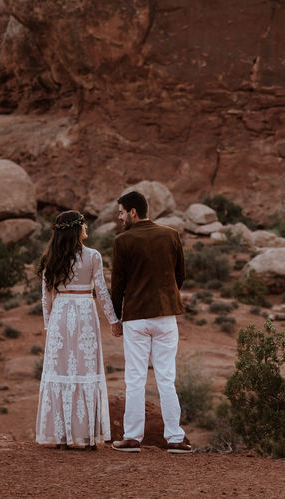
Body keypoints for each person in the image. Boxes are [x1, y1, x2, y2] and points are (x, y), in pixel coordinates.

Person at [109, 190, 193, 453]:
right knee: (167, 378)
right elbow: (180, 275)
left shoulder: (122, 241)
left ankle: (133, 437)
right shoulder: (171, 235)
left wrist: (115, 318)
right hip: (166, 316)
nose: (120, 218)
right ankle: (175, 438)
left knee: (135, 378)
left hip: (136, 317)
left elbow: (118, 285)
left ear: (134, 212)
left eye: (122, 213)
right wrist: (166, 296)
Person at [35, 209, 121, 450]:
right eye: (83, 225)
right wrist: (114, 320)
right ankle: (88, 438)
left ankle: (63, 437)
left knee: (61, 369)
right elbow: (102, 292)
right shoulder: (93, 256)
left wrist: (48, 325)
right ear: (76, 229)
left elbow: (46, 298)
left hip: (61, 314)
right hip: (84, 312)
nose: (87, 228)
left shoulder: (51, 258)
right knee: (85, 369)